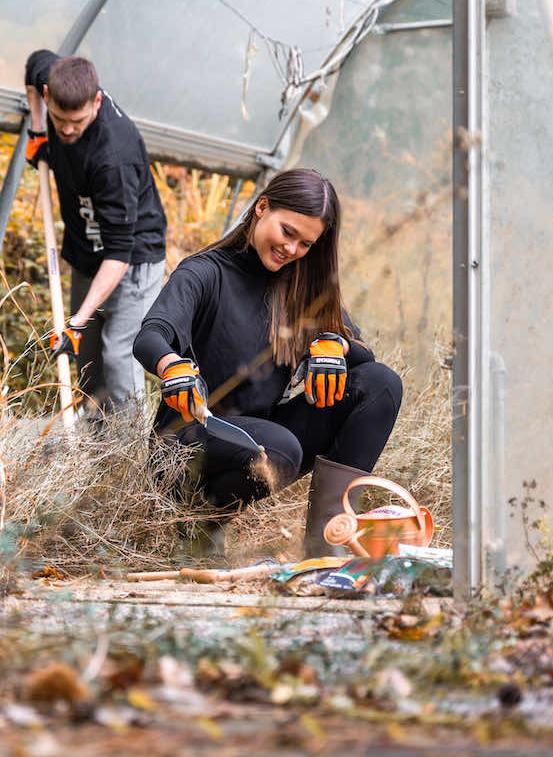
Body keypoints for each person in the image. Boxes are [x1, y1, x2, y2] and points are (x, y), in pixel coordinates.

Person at [131, 168, 402, 558]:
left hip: (266, 437)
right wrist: (172, 365)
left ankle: (327, 541)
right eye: (287, 232)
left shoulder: (299, 285)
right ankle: (199, 529)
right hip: (186, 444)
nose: (291, 249)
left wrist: (332, 343)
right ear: (262, 208)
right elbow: (150, 335)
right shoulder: (205, 271)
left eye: (306, 243)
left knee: (380, 384)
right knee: (278, 448)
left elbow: (364, 359)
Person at [24, 50, 168, 414]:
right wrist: (39, 130)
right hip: (86, 252)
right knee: (86, 363)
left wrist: (76, 320)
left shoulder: (113, 158)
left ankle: (130, 459)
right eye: (61, 119)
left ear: (97, 101)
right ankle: (95, 451)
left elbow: (120, 253)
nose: (69, 129)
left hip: (133, 260)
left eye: (78, 120)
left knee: (120, 358)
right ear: (47, 94)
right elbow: (34, 62)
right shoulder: (52, 80)